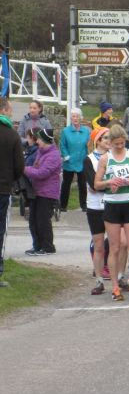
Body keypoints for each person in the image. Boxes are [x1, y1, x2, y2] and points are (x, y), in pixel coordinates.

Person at [94, 125, 129, 301]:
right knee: (114, 248)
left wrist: (125, 181)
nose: (120, 146)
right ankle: (115, 286)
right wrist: (109, 183)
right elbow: (96, 184)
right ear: (111, 143)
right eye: (116, 144)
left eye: (122, 143)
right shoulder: (105, 159)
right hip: (113, 206)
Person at [24, 129, 62, 256]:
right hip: (37, 191)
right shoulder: (41, 152)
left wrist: (24, 169)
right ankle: (37, 245)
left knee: (43, 221)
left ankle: (48, 247)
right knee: (33, 220)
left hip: (47, 193)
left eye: (39, 139)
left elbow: (42, 173)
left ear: (46, 140)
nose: (37, 141)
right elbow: (36, 168)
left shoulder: (54, 155)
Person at [0, 98, 25, 286]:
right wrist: (11, 180)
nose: (11, 113)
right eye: (9, 110)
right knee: (1, 230)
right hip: (3, 188)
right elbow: (19, 166)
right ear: (3, 110)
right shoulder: (11, 135)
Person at [83, 127, 110, 295]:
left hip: (113, 205)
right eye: (105, 138)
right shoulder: (89, 159)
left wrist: (104, 184)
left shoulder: (115, 157)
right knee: (99, 246)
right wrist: (112, 184)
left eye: (110, 137)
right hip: (95, 207)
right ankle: (99, 280)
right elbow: (93, 185)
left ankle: (119, 277)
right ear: (98, 141)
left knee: (119, 245)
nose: (109, 140)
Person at [60, 107, 91, 212]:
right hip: (69, 161)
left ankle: (84, 205)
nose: (75, 118)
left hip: (82, 161)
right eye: (73, 116)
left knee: (82, 184)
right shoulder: (65, 131)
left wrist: (88, 157)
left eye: (77, 116)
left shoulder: (86, 131)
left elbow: (88, 145)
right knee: (66, 184)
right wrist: (66, 155)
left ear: (80, 118)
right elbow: (62, 145)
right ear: (71, 118)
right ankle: (63, 206)